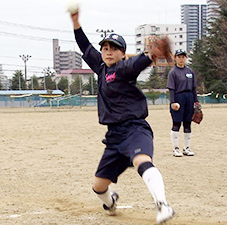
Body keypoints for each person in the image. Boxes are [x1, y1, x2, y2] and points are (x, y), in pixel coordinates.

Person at [69, 11, 174, 224]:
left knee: (142, 161)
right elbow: (84, 45)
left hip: (135, 129)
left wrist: (151, 55)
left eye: (114, 49)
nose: (108, 52)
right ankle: (111, 201)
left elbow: (138, 63)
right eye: (105, 48)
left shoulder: (124, 68)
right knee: (98, 186)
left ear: (122, 53)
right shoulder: (101, 67)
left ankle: (162, 205)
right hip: (114, 136)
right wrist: (75, 21)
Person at [167, 49, 199, 157]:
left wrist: (196, 101)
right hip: (178, 97)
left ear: (186, 58)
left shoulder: (190, 71)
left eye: (183, 57)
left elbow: (194, 88)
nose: (181, 59)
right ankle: (176, 148)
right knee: (176, 123)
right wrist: (172, 102)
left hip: (189, 97)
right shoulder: (173, 72)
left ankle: (187, 148)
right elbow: (171, 89)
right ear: (175, 58)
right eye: (179, 57)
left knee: (187, 123)